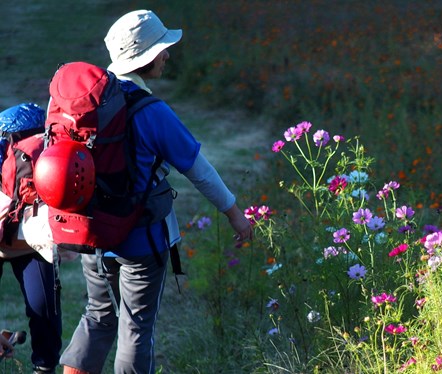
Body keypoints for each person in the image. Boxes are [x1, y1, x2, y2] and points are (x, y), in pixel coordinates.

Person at [60, 9, 253, 374]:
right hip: (140, 241)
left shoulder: (84, 106)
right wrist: (234, 214)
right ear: (145, 57)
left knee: (98, 317)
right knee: (135, 330)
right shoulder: (152, 111)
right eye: (163, 47)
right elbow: (200, 172)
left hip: (93, 234)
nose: (167, 54)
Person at [0, 104, 62, 374]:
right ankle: (44, 366)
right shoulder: (52, 152)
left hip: (21, 236)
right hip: (31, 237)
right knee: (44, 308)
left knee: (43, 308)